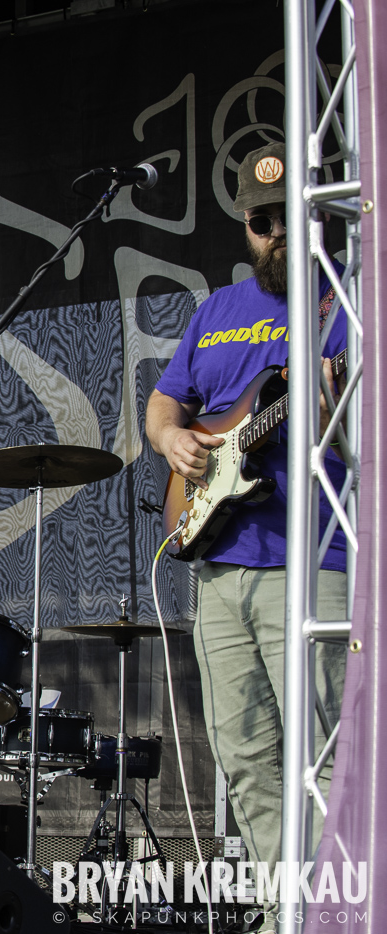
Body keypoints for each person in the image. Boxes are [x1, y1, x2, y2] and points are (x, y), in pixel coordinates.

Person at [146, 141, 347, 865]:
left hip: (314, 557)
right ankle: (275, 906)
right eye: (263, 222)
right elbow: (166, 401)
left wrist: (335, 399)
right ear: (246, 226)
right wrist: (172, 440)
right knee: (246, 757)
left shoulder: (348, 297)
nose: (279, 234)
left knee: (326, 758)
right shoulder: (219, 309)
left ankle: (336, 909)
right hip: (220, 564)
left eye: (291, 216)